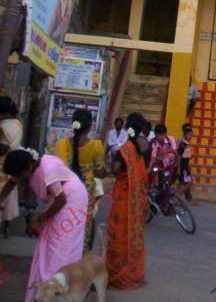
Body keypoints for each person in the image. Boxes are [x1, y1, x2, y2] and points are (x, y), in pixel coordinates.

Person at [0, 149, 88, 302]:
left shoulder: (48, 171)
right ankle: (41, 293)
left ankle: (57, 294)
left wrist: (39, 220)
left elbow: (61, 200)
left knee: (60, 246)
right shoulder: (28, 164)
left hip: (71, 199)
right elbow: (12, 182)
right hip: (59, 197)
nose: (21, 179)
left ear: (29, 167)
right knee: (46, 243)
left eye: (21, 175)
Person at [107, 113, 150, 290]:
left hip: (124, 199)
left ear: (127, 127)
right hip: (138, 199)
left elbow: (116, 168)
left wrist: (116, 169)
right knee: (134, 234)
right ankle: (133, 274)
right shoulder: (145, 146)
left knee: (119, 233)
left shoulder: (125, 149)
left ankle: (118, 276)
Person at [54, 108, 106, 253]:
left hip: (66, 191)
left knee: (65, 224)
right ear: (89, 125)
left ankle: (62, 256)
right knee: (84, 227)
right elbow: (100, 173)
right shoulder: (96, 145)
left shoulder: (62, 143)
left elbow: (59, 169)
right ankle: (80, 258)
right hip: (86, 194)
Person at [0, 96, 22, 238]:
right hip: (11, 167)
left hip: (3, 167)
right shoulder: (17, 123)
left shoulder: (6, 126)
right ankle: (6, 228)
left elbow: (3, 148)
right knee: (7, 199)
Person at [149, 124, 178, 212]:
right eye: (159, 135)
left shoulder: (170, 139)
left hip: (168, 164)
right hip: (157, 164)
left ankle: (164, 205)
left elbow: (174, 150)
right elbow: (153, 157)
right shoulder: (153, 143)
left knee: (166, 185)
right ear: (155, 134)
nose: (161, 137)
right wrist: (149, 169)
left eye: (163, 134)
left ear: (165, 134)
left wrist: (165, 151)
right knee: (153, 179)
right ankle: (152, 191)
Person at [177, 123, 196, 205]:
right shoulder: (183, 144)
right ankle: (178, 196)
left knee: (180, 182)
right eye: (189, 135)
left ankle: (175, 198)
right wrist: (179, 168)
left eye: (192, 135)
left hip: (185, 165)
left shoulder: (187, 144)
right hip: (183, 166)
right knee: (189, 182)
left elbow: (186, 156)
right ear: (185, 135)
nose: (191, 137)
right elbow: (179, 156)